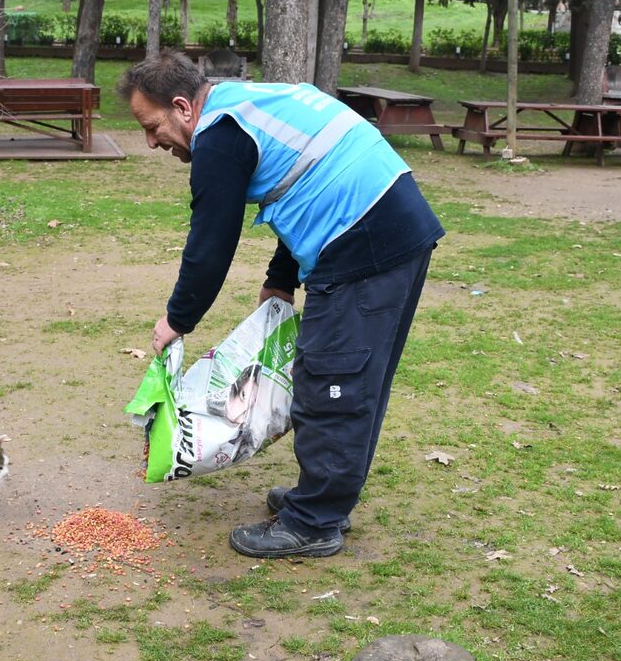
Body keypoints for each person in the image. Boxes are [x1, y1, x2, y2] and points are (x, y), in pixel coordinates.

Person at [118, 51, 444, 558]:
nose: (151, 141)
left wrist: (176, 321)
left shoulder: (220, 137)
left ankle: (314, 522)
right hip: (387, 226)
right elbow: (304, 180)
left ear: (183, 107)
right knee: (346, 377)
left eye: (152, 125)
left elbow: (211, 243)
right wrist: (281, 279)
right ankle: (323, 499)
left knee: (331, 380)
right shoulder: (243, 107)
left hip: (367, 240)